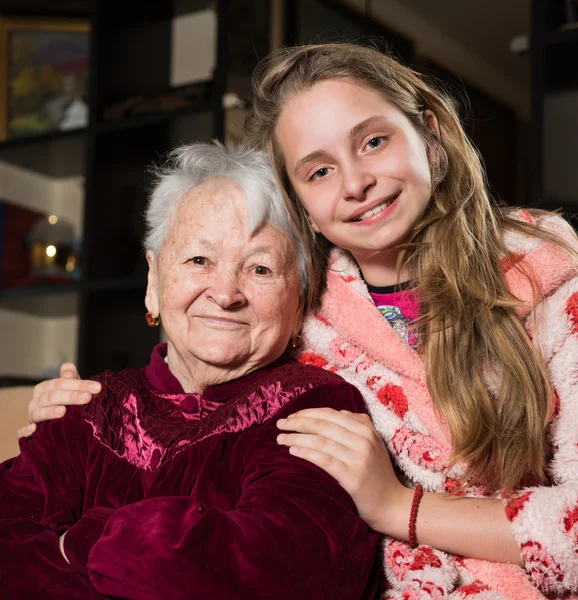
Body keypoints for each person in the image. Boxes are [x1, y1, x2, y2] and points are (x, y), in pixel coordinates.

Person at [21, 42, 578, 599]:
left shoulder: (546, 279)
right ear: (301, 205)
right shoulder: (305, 318)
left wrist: (398, 506)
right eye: (319, 170)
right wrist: (78, 412)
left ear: (430, 138)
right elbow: (195, 397)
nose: (355, 183)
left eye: (374, 141)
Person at [1, 141, 382, 599]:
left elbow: (282, 571)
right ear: (153, 281)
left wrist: (81, 541)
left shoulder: (317, 404)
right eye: (199, 260)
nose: (226, 293)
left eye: (260, 269)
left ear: (298, 296)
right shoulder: (88, 405)